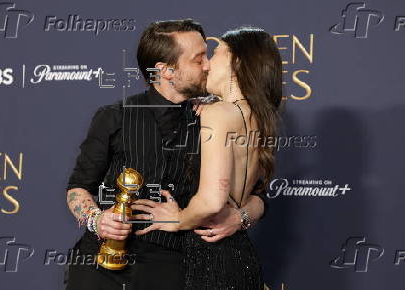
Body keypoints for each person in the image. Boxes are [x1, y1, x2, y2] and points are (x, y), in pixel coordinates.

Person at [64, 19, 268, 290]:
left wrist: (238, 218)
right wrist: (96, 219)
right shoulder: (114, 116)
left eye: (207, 56)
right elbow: (78, 187)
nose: (208, 65)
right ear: (166, 71)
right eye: (198, 59)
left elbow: (258, 196)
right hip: (99, 266)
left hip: (176, 267)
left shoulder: (215, 118)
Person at [131, 27, 283, 289]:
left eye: (216, 53)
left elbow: (212, 201)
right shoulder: (257, 116)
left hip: (210, 258)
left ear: (236, 62)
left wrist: (177, 219)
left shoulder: (220, 113)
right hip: (237, 252)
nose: (207, 64)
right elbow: (252, 196)